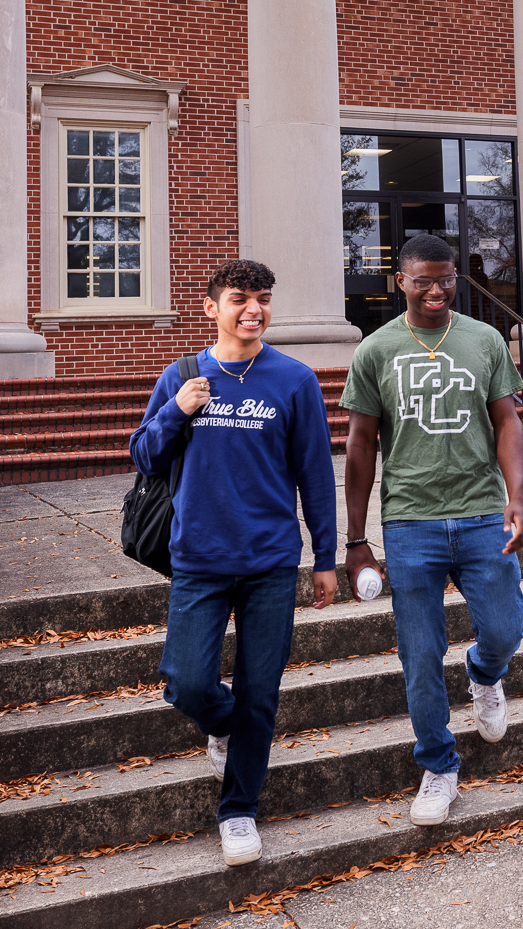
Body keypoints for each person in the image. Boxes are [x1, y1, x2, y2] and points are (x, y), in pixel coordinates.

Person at [128, 259, 336, 868]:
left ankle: (239, 809)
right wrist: (178, 409)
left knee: (261, 693)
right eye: (240, 298)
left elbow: (314, 475)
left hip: (271, 560)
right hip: (199, 559)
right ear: (211, 307)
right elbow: (143, 453)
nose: (254, 309)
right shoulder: (181, 375)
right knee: (188, 683)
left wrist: (326, 556)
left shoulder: (293, 380)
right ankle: (224, 725)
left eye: (264, 298)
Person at [340, 233, 523, 828]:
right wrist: (355, 539)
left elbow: (507, 423)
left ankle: (484, 674)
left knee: (505, 628)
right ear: (400, 280)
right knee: (419, 653)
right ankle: (439, 766)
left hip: (479, 513)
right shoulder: (376, 350)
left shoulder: (485, 340)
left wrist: (517, 498)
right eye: (423, 279)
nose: (436, 291)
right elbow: (361, 444)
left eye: (446, 279)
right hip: (411, 520)